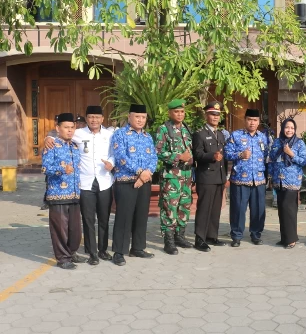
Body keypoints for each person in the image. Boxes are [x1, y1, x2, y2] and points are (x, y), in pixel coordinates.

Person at [45, 106, 115, 265]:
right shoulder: (78, 133)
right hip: (85, 183)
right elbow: (58, 133)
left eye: (97, 117)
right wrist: (46, 138)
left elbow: (114, 153)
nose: (94, 120)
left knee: (104, 218)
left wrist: (112, 162)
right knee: (88, 219)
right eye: (91, 117)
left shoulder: (110, 135)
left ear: (103, 119)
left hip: (104, 181)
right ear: (86, 119)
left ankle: (103, 250)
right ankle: (92, 253)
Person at [111, 104, 158, 266]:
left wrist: (146, 175)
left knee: (141, 215)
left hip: (144, 181)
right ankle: (119, 251)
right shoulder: (120, 134)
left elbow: (154, 158)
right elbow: (121, 157)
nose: (140, 120)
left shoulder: (147, 137)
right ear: (129, 117)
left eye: (143, 117)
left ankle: (138, 247)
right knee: (124, 216)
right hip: (126, 181)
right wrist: (140, 172)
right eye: (137, 116)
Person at [42, 113, 87, 269]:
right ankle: (62, 258)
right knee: (60, 229)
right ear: (57, 128)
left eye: (72, 127)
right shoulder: (51, 145)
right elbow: (46, 168)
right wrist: (62, 169)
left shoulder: (74, 146)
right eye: (66, 127)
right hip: (57, 194)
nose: (69, 131)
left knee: (75, 228)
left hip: (74, 193)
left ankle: (72, 252)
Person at [224, 109, 269, 247]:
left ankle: (256, 235)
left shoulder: (263, 137)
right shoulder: (236, 135)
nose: (252, 122)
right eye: (249, 119)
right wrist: (240, 155)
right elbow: (226, 153)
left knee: (258, 209)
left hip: (259, 179)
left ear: (259, 122)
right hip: (240, 179)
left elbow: (266, 156)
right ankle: (236, 236)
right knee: (238, 209)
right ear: (245, 120)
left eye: (255, 120)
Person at [155, 99, 195, 255]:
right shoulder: (164, 129)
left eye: (182, 112)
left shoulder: (186, 129)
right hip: (172, 176)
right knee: (169, 207)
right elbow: (158, 152)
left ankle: (180, 236)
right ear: (170, 113)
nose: (180, 114)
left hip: (186, 175)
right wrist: (179, 157)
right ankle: (169, 241)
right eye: (176, 111)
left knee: (184, 206)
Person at [192, 101, 228, 252]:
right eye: (212, 114)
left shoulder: (220, 134)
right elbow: (197, 154)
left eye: (217, 115)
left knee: (215, 208)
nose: (215, 117)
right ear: (206, 115)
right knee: (204, 208)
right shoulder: (200, 134)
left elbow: (224, 157)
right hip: (206, 176)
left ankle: (211, 235)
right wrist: (212, 156)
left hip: (219, 177)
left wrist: (225, 176)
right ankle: (199, 238)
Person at [269, 118, 306, 248]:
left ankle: (291, 239)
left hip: (292, 181)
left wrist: (291, 154)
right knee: (281, 209)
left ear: (295, 130)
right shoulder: (277, 142)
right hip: (278, 180)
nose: (289, 130)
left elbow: (303, 161)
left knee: (288, 209)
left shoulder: (299, 143)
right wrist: (271, 176)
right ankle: (284, 238)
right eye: (287, 127)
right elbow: (272, 158)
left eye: (292, 128)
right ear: (283, 129)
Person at [41, 115, 60, 211]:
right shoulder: (52, 132)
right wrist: (47, 138)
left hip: (63, 164)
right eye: (56, 121)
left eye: (58, 121)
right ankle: (46, 202)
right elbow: (48, 139)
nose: (57, 122)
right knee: (48, 184)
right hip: (52, 163)